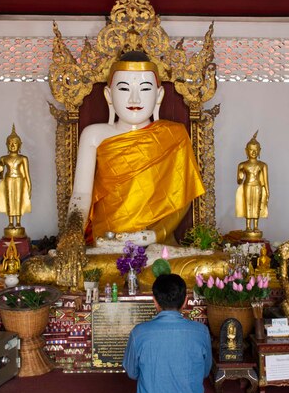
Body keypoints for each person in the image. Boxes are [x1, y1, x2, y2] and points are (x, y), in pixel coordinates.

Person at [68, 50, 205, 248]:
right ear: (108, 95)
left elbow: (181, 200)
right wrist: (71, 236)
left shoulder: (174, 136)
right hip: (107, 244)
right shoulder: (94, 135)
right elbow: (81, 194)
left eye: (145, 89)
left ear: (159, 96)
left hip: (154, 246)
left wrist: (153, 235)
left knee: (201, 265)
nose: (134, 99)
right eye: (124, 89)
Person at [0, 125, 31, 236]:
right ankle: (11, 222)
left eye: (15, 143)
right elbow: (0, 176)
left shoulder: (23, 158)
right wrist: (0, 169)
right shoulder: (3, 158)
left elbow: (27, 174)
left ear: (20, 145)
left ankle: (18, 222)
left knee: (18, 200)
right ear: (6, 144)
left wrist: (30, 186)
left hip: (20, 179)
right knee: (10, 200)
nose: (12, 145)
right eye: (10, 143)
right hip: (8, 179)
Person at [235, 131, 269, 237]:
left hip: (258, 186)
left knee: (257, 205)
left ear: (259, 151)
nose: (253, 152)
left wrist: (267, 192)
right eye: (251, 150)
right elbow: (239, 180)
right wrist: (240, 176)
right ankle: (248, 226)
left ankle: (256, 226)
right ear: (246, 151)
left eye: (256, 150)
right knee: (248, 205)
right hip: (247, 185)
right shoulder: (242, 165)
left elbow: (266, 181)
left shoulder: (262, 165)